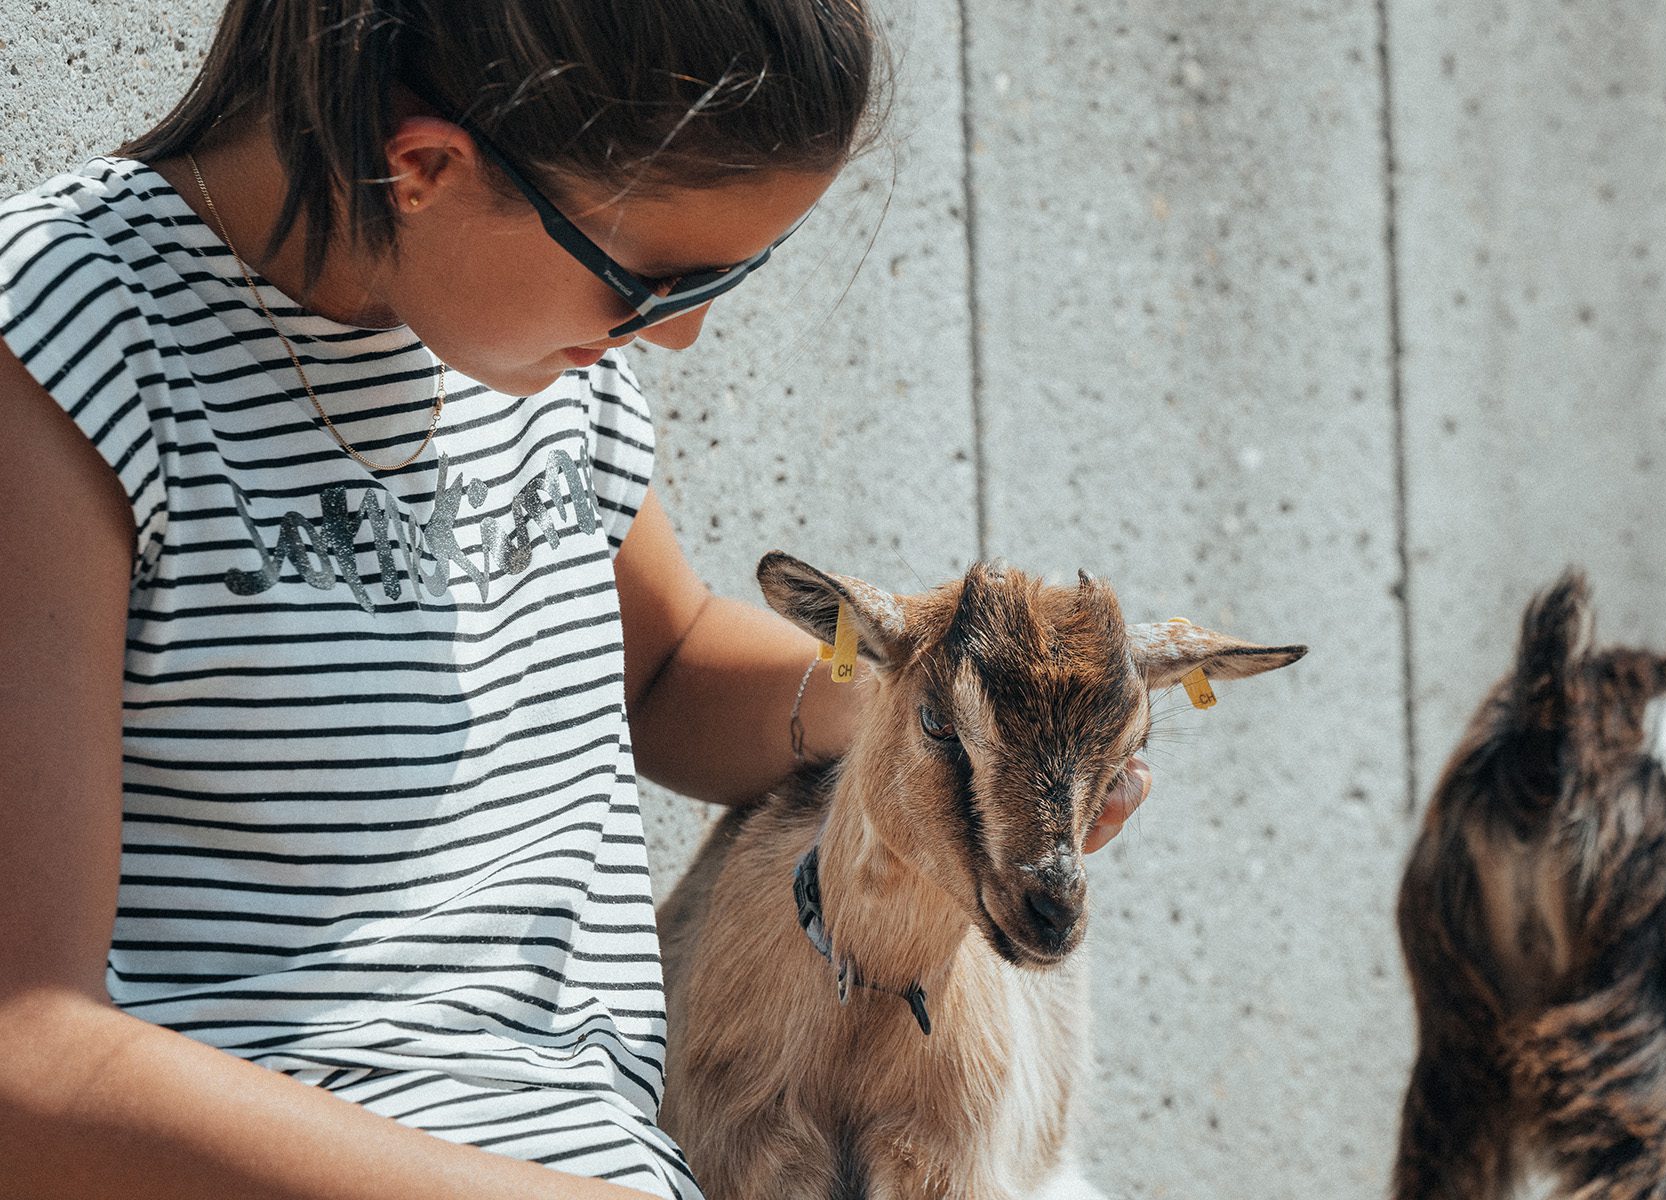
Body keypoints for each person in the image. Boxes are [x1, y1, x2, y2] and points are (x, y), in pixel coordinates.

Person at [0, 4, 1150, 1197]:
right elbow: (27, 1058)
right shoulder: (70, 342)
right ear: (427, 166)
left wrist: (949, 745)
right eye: (655, 281)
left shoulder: (522, 351)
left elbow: (665, 670)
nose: (685, 334)